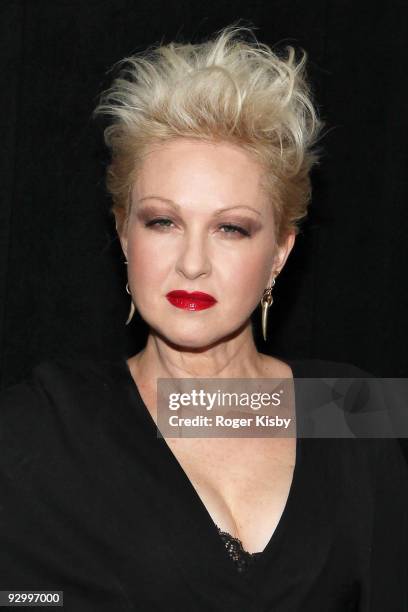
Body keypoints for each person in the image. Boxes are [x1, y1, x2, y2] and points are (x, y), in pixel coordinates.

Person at [0, 24, 407, 611]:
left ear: (280, 253)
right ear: (123, 234)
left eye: (231, 228)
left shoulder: (353, 406)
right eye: (162, 222)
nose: (192, 263)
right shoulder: (41, 427)